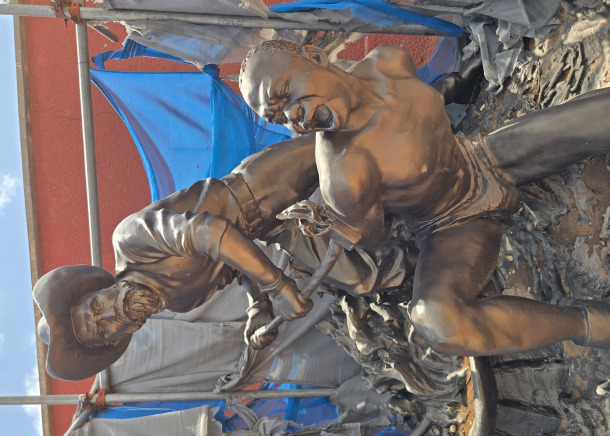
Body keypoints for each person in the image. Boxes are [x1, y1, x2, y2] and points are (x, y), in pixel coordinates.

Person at [239, 40, 610, 356]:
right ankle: (592, 322)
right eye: (279, 117)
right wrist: (339, 224)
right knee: (438, 323)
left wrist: (466, 76)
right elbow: (376, 237)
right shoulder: (343, 174)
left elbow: (434, 102)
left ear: (315, 56)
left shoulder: (387, 60)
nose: (295, 117)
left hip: (485, 158)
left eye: (285, 93)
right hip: (451, 227)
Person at [34, 134, 414, 381]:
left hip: (261, 186)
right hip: (278, 227)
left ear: (96, 290)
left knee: (362, 148)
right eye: (103, 330)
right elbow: (235, 267)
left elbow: (209, 233)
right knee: (363, 279)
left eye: (95, 307)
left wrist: (277, 286)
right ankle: (429, 245)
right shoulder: (179, 303)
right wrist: (258, 306)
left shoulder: (131, 241)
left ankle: (438, 101)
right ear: (118, 339)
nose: (110, 314)